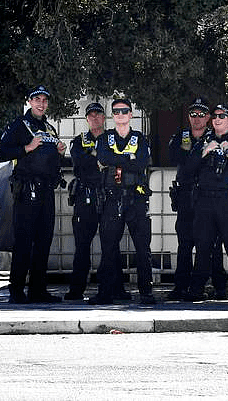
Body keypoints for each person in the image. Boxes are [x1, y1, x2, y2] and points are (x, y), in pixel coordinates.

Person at [0, 85, 67, 304]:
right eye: (37, 99)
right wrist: (27, 148)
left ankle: (38, 290)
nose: (41, 104)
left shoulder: (49, 128)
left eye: (45, 100)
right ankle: (16, 291)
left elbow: (53, 162)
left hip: (47, 191)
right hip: (27, 191)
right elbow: (1, 154)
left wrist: (60, 153)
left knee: (44, 241)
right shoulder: (19, 125)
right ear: (29, 101)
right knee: (24, 242)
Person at [89, 97, 154, 305]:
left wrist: (119, 160)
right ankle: (105, 293)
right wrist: (129, 159)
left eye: (124, 111)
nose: (120, 115)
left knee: (143, 247)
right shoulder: (105, 137)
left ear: (131, 114)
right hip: (112, 198)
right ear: (112, 115)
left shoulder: (140, 138)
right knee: (108, 247)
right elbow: (103, 158)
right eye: (116, 112)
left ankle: (146, 292)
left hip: (136, 198)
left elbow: (143, 162)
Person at [184, 103, 228, 302]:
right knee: (203, 245)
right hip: (204, 199)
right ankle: (196, 289)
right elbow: (188, 169)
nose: (217, 119)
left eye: (222, 115)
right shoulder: (203, 141)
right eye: (214, 116)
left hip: (227, 199)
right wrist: (205, 151)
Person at [166, 97, 227, 301]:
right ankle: (181, 287)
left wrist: (194, 157)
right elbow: (175, 157)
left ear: (208, 117)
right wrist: (199, 155)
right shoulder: (180, 136)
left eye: (202, 114)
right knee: (185, 243)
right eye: (194, 114)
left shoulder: (215, 137)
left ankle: (219, 287)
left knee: (213, 243)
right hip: (186, 196)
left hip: (208, 196)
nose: (197, 118)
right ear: (189, 116)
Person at [64, 102, 107, 301]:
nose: (95, 118)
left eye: (98, 114)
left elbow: (114, 159)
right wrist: (98, 159)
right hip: (85, 196)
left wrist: (96, 157)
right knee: (82, 245)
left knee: (110, 245)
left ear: (104, 117)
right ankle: (76, 290)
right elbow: (79, 162)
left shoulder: (111, 138)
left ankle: (110, 289)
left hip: (107, 195)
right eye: (91, 115)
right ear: (87, 118)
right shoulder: (78, 140)